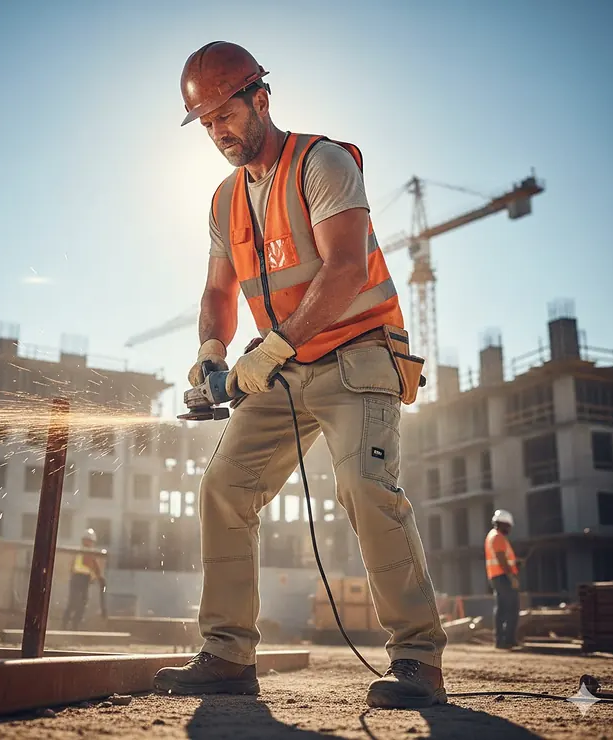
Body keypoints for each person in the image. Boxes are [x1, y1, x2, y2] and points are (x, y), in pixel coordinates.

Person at [153, 41, 448, 709]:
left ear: (261, 98)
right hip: (283, 367)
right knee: (225, 487)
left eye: (224, 115)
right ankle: (228, 654)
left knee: (365, 486)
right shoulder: (225, 200)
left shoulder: (323, 162)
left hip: (356, 355)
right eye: (204, 124)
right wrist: (211, 350)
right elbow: (217, 292)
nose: (217, 132)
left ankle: (418, 661)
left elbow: (344, 268)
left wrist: (272, 347)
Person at [485, 509, 520, 649]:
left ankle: (501, 640)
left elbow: (504, 558)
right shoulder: (498, 537)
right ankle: (508, 640)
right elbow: (500, 558)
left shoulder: (492, 536)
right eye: (508, 526)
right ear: (503, 524)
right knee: (511, 608)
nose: (509, 529)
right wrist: (511, 577)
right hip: (503, 577)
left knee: (502, 608)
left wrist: (515, 563)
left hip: (497, 576)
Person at [62, 529, 106, 631]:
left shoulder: (85, 551)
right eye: (88, 541)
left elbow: (88, 565)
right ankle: (67, 624)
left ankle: (73, 625)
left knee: (80, 603)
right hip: (78, 578)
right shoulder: (85, 551)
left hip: (82, 579)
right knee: (75, 602)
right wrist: (98, 576)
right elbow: (90, 564)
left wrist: (94, 576)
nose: (90, 543)